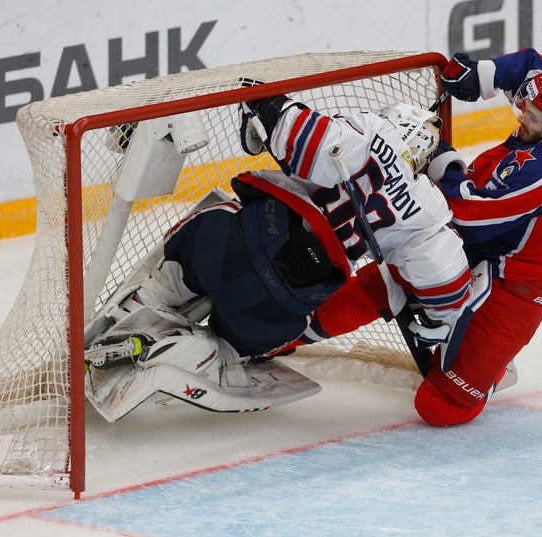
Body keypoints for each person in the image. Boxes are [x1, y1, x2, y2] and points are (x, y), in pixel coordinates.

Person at [83, 97, 477, 421]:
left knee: (182, 266)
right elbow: (446, 286)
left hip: (224, 243)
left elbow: (299, 136)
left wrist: (268, 103)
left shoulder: (371, 132)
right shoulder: (429, 211)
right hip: (275, 305)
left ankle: (142, 304)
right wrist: (438, 323)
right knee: (231, 349)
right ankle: (158, 350)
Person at [294, 48, 542, 427]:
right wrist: (482, 73)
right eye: (525, 107)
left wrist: (444, 164)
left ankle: (484, 363)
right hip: (471, 246)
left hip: (515, 285)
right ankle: (278, 337)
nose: (521, 116)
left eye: (532, 117)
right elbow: (531, 67)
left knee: (441, 407)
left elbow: (472, 218)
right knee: (378, 284)